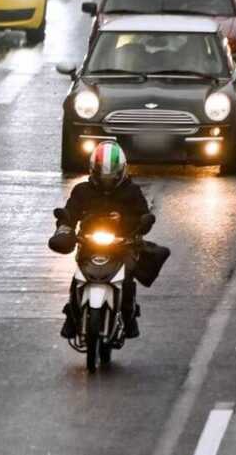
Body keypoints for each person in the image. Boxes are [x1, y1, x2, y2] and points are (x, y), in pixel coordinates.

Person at [52, 141, 152, 339]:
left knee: (127, 279)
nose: (107, 180)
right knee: (77, 277)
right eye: (102, 175)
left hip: (122, 244)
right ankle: (71, 316)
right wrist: (65, 227)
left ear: (121, 171)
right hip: (89, 243)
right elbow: (70, 213)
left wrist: (127, 221)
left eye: (112, 175)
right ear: (93, 171)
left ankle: (129, 316)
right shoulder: (82, 191)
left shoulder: (132, 192)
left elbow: (143, 216)